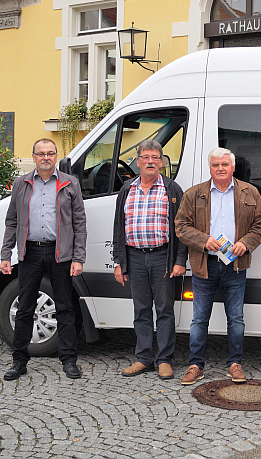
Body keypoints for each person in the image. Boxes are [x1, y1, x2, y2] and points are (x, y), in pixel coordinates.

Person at [175, 147, 261, 385]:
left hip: (235, 265)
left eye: (225, 164)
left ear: (233, 167)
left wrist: (245, 244)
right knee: (199, 319)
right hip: (204, 264)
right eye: (216, 165)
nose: (220, 169)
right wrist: (203, 240)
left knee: (236, 318)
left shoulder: (250, 192)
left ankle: (234, 364)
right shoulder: (194, 194)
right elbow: (181, 226)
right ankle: (196, 365)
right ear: (210, 168)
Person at [0, 138, 87, 381]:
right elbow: (12, 221)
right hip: (30, 252)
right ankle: (19, 361)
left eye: (50, 153)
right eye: (41, 154)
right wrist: (6, 254)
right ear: (34, 156)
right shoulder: (22, 183)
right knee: (25, 307)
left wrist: (78, 257)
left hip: (61, 253)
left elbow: (80, 224)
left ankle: (69, 360)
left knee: (65, 307)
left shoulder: (70, 184)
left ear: (56, 156)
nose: (46, 158)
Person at [113, 140, 188, 380]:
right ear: (137, 162)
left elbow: (182, 228)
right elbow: (118, 227)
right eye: (145, 157)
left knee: (165, 309)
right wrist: (119, 262)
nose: (150, 161)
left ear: (162, 161)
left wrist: (179, 260)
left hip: (162, 257)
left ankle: (165, 360)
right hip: (134, 257)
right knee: (141, 309)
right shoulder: (127, 189)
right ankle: (143, 357)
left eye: (155, 157)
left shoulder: (172, 189)